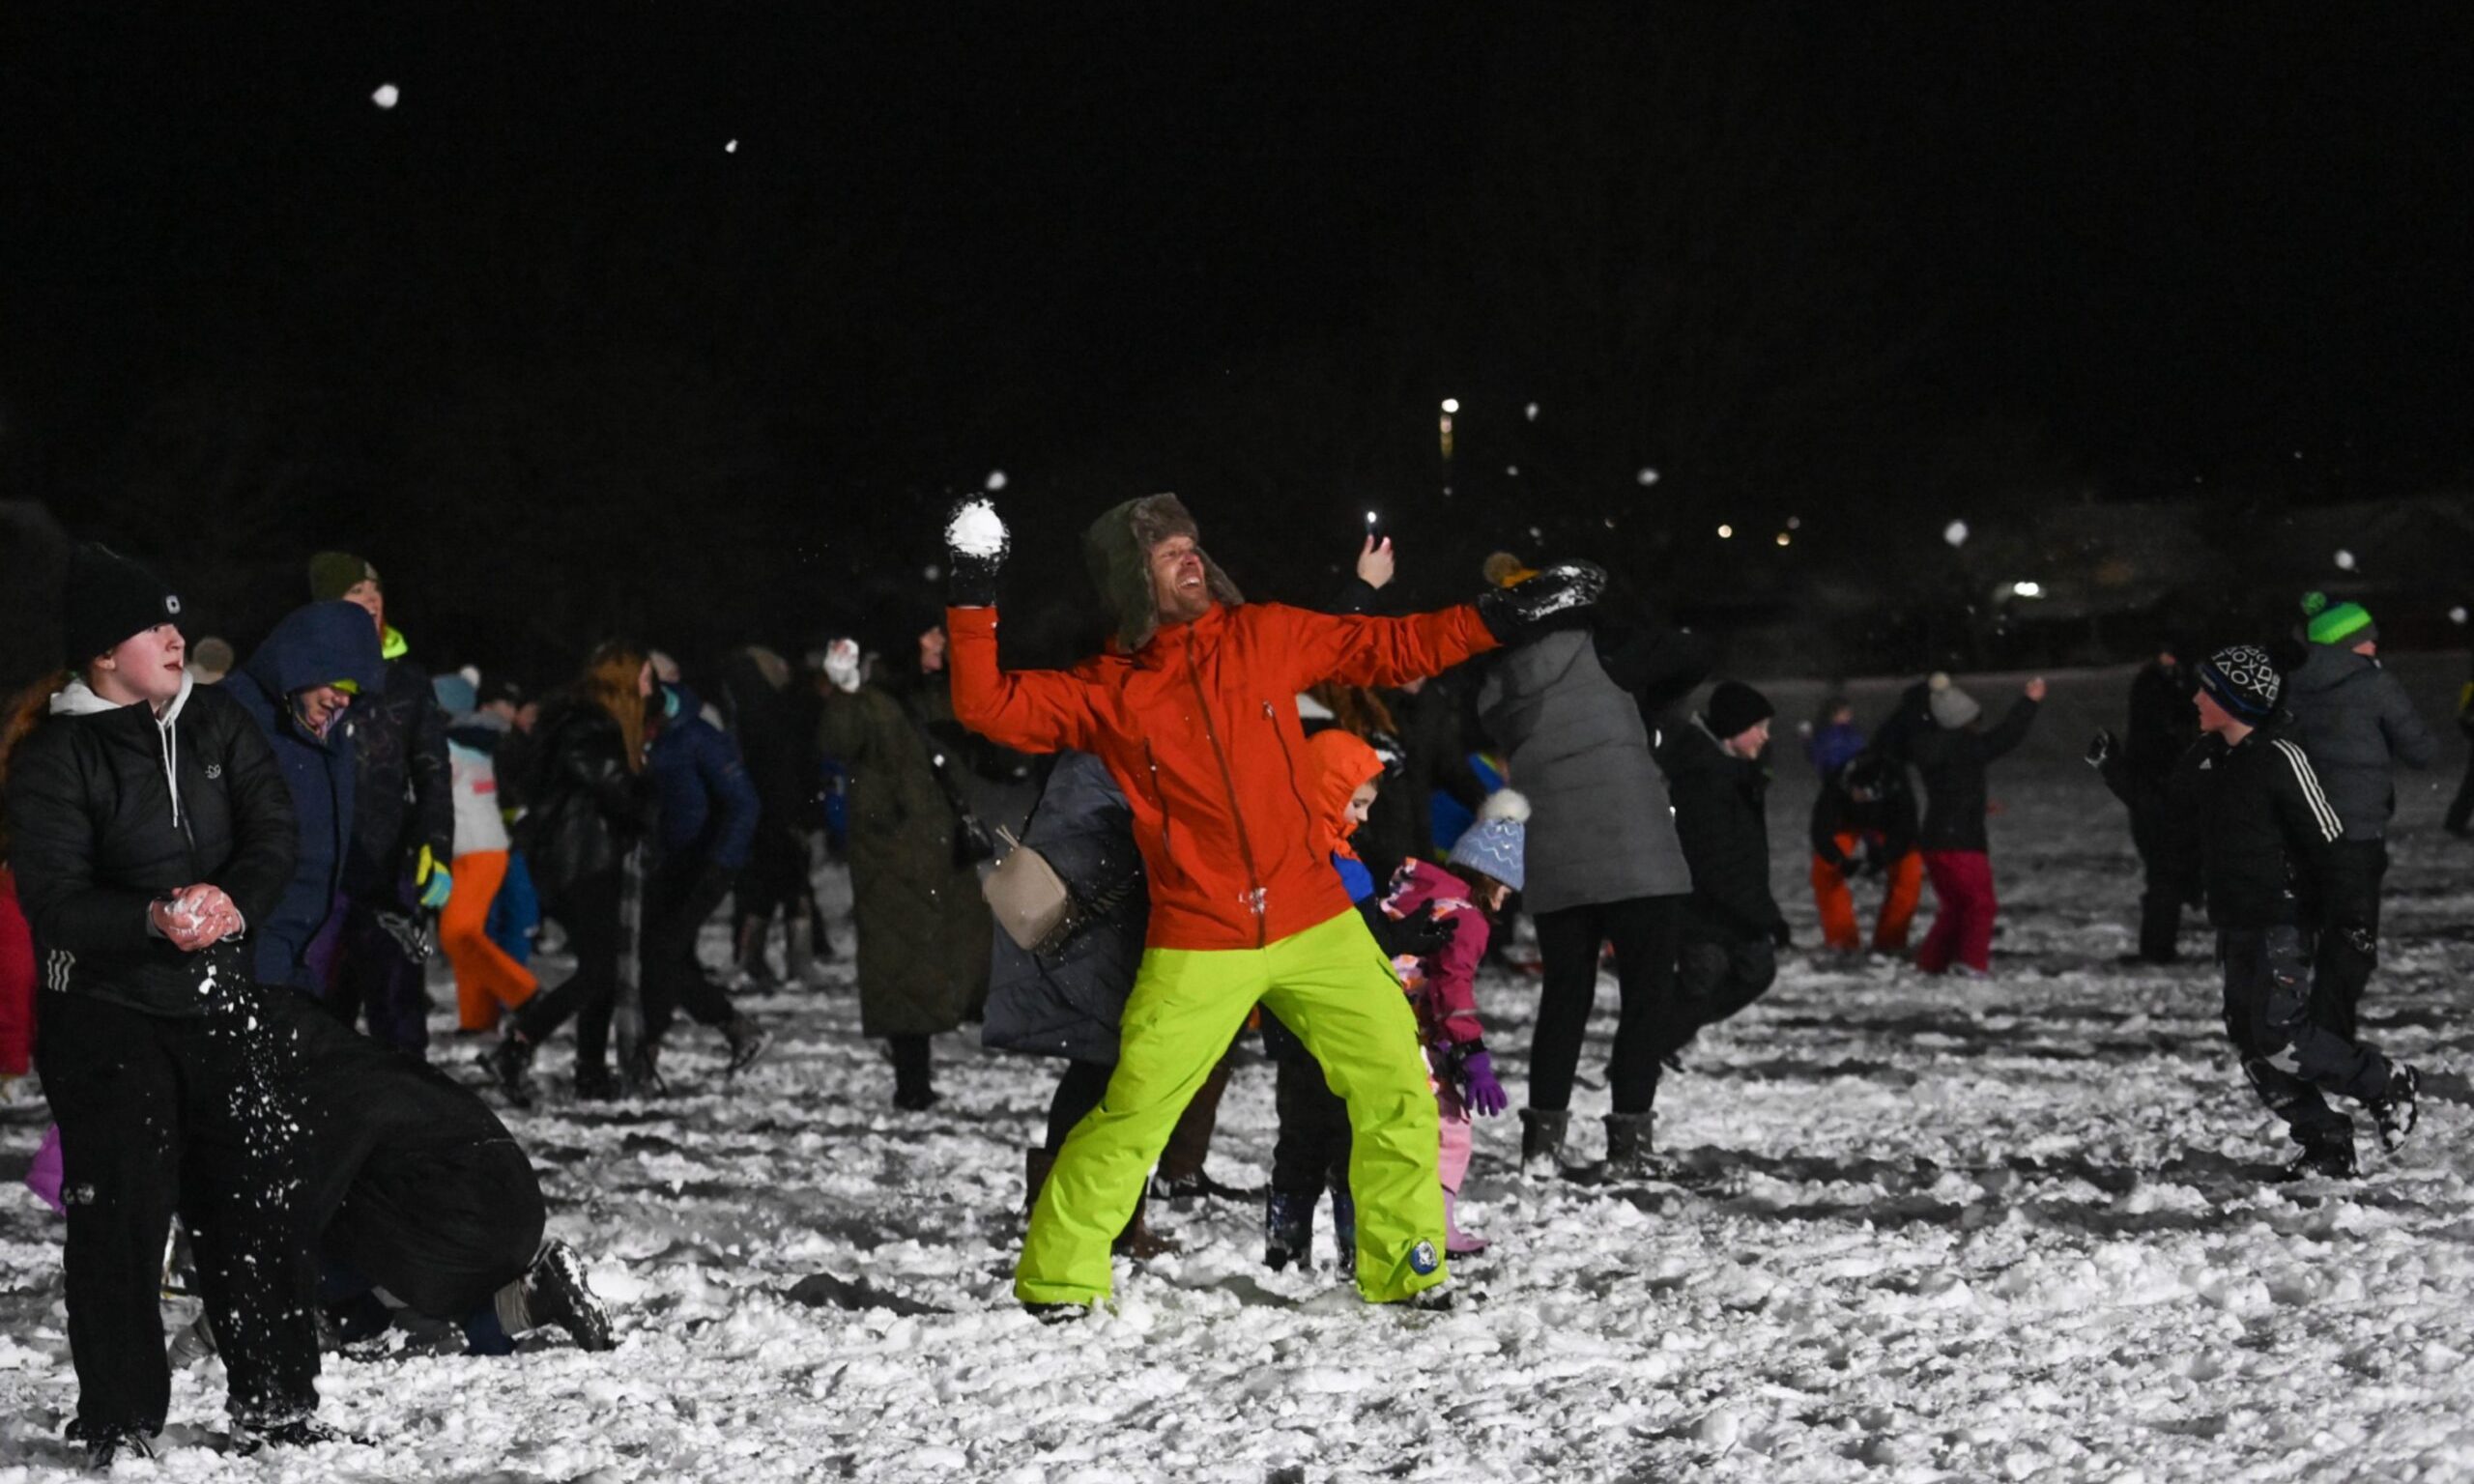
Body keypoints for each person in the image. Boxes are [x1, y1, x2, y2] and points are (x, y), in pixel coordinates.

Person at [943, 494, 1597, 1314]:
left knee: (1397, 1083)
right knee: (1137, 1109)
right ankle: (1058, 1276)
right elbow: (986, 706)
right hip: (1200, 937)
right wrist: (972, 596)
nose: (1190, 558)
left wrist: (1499, 616)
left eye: (1191, 543)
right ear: (1131, 581)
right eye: (1165, 552)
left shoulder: (1264, 636)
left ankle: (1406, 1268)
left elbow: (1394, 644)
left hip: (1313, 916)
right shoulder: (1108, 691)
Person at [3, 544, 330, 1463]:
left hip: (222, 1001)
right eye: (155, 624)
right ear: (106, 652)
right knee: (123, 1219)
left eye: (176, 619)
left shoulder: (219, 721)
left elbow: (274, 832)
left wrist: (237, 900)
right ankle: (120, 1417)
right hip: (108, 1017)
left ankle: (277, 1404)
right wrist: (151, 917)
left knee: (256, 1201)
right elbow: (53, 901)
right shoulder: (57, 754)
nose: (176, 635)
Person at [1473, 554, 1698, 1179]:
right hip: (1637, 855)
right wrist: (1649, 713)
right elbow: (1693, 654)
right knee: (1644, 1001)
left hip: (1556, 858)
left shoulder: (1500, 683)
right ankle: (1629, 1143)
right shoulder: (1607, 651)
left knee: (1564, 1000)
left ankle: (1542, 1145)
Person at [2165, 644, 2419, 1178]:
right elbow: (2165, 805)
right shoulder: (2211, 757)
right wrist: (2113, 767)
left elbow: (2329, 840)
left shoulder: (2280, 757)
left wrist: (2350, 919)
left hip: (2282, 922)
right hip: (2235, 921)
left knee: (2280, 1037)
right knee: (2252, 1043)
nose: (2195, 699)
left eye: (2207, 691)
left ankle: (2383, 1081)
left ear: (2234, 702)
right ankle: (2325, 1142)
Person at [980, 750, 1177, 1258]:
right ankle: (1088, 1218)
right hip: (1099, 938)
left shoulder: (1099, 757)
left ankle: (1087, 1215)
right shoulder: (1097, 758)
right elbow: (1079, 844)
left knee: (1102, 1073)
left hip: (1104, 935)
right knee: (1107, 1075)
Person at [815, 619, 994, 1111]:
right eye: (929, 636)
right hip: (893, 864)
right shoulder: (872, 702)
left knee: (955, 955)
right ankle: (911, 1084)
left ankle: (924, 1069)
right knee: (901, 972)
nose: (939, 642)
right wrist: (845, 687)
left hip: (940, 857)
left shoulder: (935, 697)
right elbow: (837, 739)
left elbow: (978, 753)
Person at [487, 643, 657, 1103]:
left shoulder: (577, 722)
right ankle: (518, 1045)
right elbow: (610, 784)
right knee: (600, 971)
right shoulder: (590, 726)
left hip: (582, 856)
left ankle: (590, 1072)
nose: (650, 686)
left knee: (597, 968)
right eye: (644, 677)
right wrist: (651, 795)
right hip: (581, 859)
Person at [308, 553, 455, 1057]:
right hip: (318, 881)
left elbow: (433, 774)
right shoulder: (298, 676)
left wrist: (436, 848)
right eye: (355, 591)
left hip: (390, 877)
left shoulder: (409, 682)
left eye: (375, 588)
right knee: (320, 1020)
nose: (371, 598)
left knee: (399, 1018)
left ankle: (411, 1128)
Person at [1378, 787, 1524, 1256]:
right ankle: (1435, 1225)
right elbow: (1451, 988)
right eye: (1502, 891)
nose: (1500, 905)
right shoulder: (1468, 919)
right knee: (1450, 1126)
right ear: (1486, 880)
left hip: (1379, 1020)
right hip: (1412, 1032)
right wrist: (1470, 1052)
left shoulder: (1422, 898)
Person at [2284, 594, 2438, 1036]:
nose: (2375, 646)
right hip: (2355, 832)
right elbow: (2422, 751)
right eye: (2366, 639)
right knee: (2353, 937)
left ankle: (2289, 1019)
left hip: (2302, 829)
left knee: (2306, 929)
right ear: (2348, 644)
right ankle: (2329, 1031)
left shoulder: (2292, 685)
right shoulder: (2375, 684)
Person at [223, 602, 388, 996]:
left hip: (298, 954)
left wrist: (382, 897)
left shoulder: (331, 733)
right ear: (304, 663)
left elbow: (331, 831)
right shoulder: (230, 714)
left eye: (354, 690)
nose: (343, 700)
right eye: (337, 683)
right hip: (241, 951)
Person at [632, 672, 771, 1089]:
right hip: (671, 863)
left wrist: (720, 860)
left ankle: (657, 1048)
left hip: (705, 865)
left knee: (661, 954)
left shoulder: (697, 735)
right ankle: (730, 1030)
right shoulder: (655, 733)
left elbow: (744, 802)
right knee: (662, 956)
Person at [1656, 681, 1788, 1073]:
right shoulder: (1705, 778)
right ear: (1732, 730)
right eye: (1758, 727)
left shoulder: (1730, 773)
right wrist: (1764, 916)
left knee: (1748, 971)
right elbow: (1717, 859)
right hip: (1702, 904)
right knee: (1707, 978)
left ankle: (1655, 1039)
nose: (1765, 736)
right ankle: (1644, 1049)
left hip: (1722, 902)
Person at [1907, 671, 2044, 977]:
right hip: (1961, 842)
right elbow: (2007, 735)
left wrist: (1977, 805)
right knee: (1981, 905)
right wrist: (2030, 702)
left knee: (1955, 909)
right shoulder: (1965, 746)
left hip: (1934, 839)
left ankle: (1931, 964)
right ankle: (1971, 965)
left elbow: (1951, 789)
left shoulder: (1933, 749)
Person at [718, 645, 833, 988]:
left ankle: (757, 958)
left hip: (762, 811)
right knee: (786, 884)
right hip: (777, 811)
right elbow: (789, 769)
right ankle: (786, 960)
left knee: (767, 886)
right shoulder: (775, 713)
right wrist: (801, 814)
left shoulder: (749, 711)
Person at [432, 671, 538, 1033]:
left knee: (457, 934)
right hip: (478, 850)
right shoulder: (471, 744)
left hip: (477, 852)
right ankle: (478, 1017)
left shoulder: (447, 749)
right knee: (469, 938)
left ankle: (525, 994)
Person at [2101, 642, 2201, 963]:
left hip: (2164, 787)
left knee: (2166, 874)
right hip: (2162, 787)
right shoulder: (2159, 687)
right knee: (2166, 874)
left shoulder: (2164, 684)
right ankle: (2158, 947)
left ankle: (2159, 945)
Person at [1809, 748, 1923, 957]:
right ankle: (1843, 941)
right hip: (1845, 822)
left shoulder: (1898, 789)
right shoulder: (1837, 784)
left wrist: (1882, 857)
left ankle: (1891, 941)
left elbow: (1906, 832)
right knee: (1824, 870)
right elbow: (1821, 831)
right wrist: (1840, 861)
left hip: (1888, 825)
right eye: (1855, 791)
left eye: (1865, 794)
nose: (1858, 796)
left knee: (1910, 873)